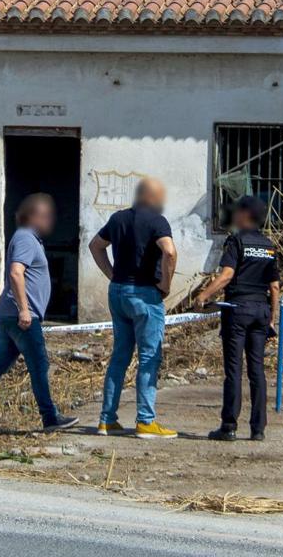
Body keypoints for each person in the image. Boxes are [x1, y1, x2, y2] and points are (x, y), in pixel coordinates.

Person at [0, 193, 79, 436]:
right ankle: (50, 417)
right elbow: (17, 273)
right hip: (21, 318)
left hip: (8, 316)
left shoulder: (28, 239)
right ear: (33, 217)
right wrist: (25, 310)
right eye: (46, 216)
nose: (50, 221)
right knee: (39, 365)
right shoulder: (26, 238)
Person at [88, 177, 178, 439]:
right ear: (152, 197)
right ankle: (146, 421)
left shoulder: (118, 219)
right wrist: (166, 283)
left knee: (120, 355)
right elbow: (169, 252)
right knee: (149, 357)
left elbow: (95, 246)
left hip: (117, 292)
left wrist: (112, 274)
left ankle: (107, 420)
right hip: (145, 295)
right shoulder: (157, 221)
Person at [193, 195, 280, 442]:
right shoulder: (269, 245)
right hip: (261, 312)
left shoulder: (236, 241)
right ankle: (258, 428)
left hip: (238, 310)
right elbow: (274, 286)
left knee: (234, 371)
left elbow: (226, 276)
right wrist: (271, 318)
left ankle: (229, 426)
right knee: (257, 371)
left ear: (245, 215)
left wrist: (203, 296)